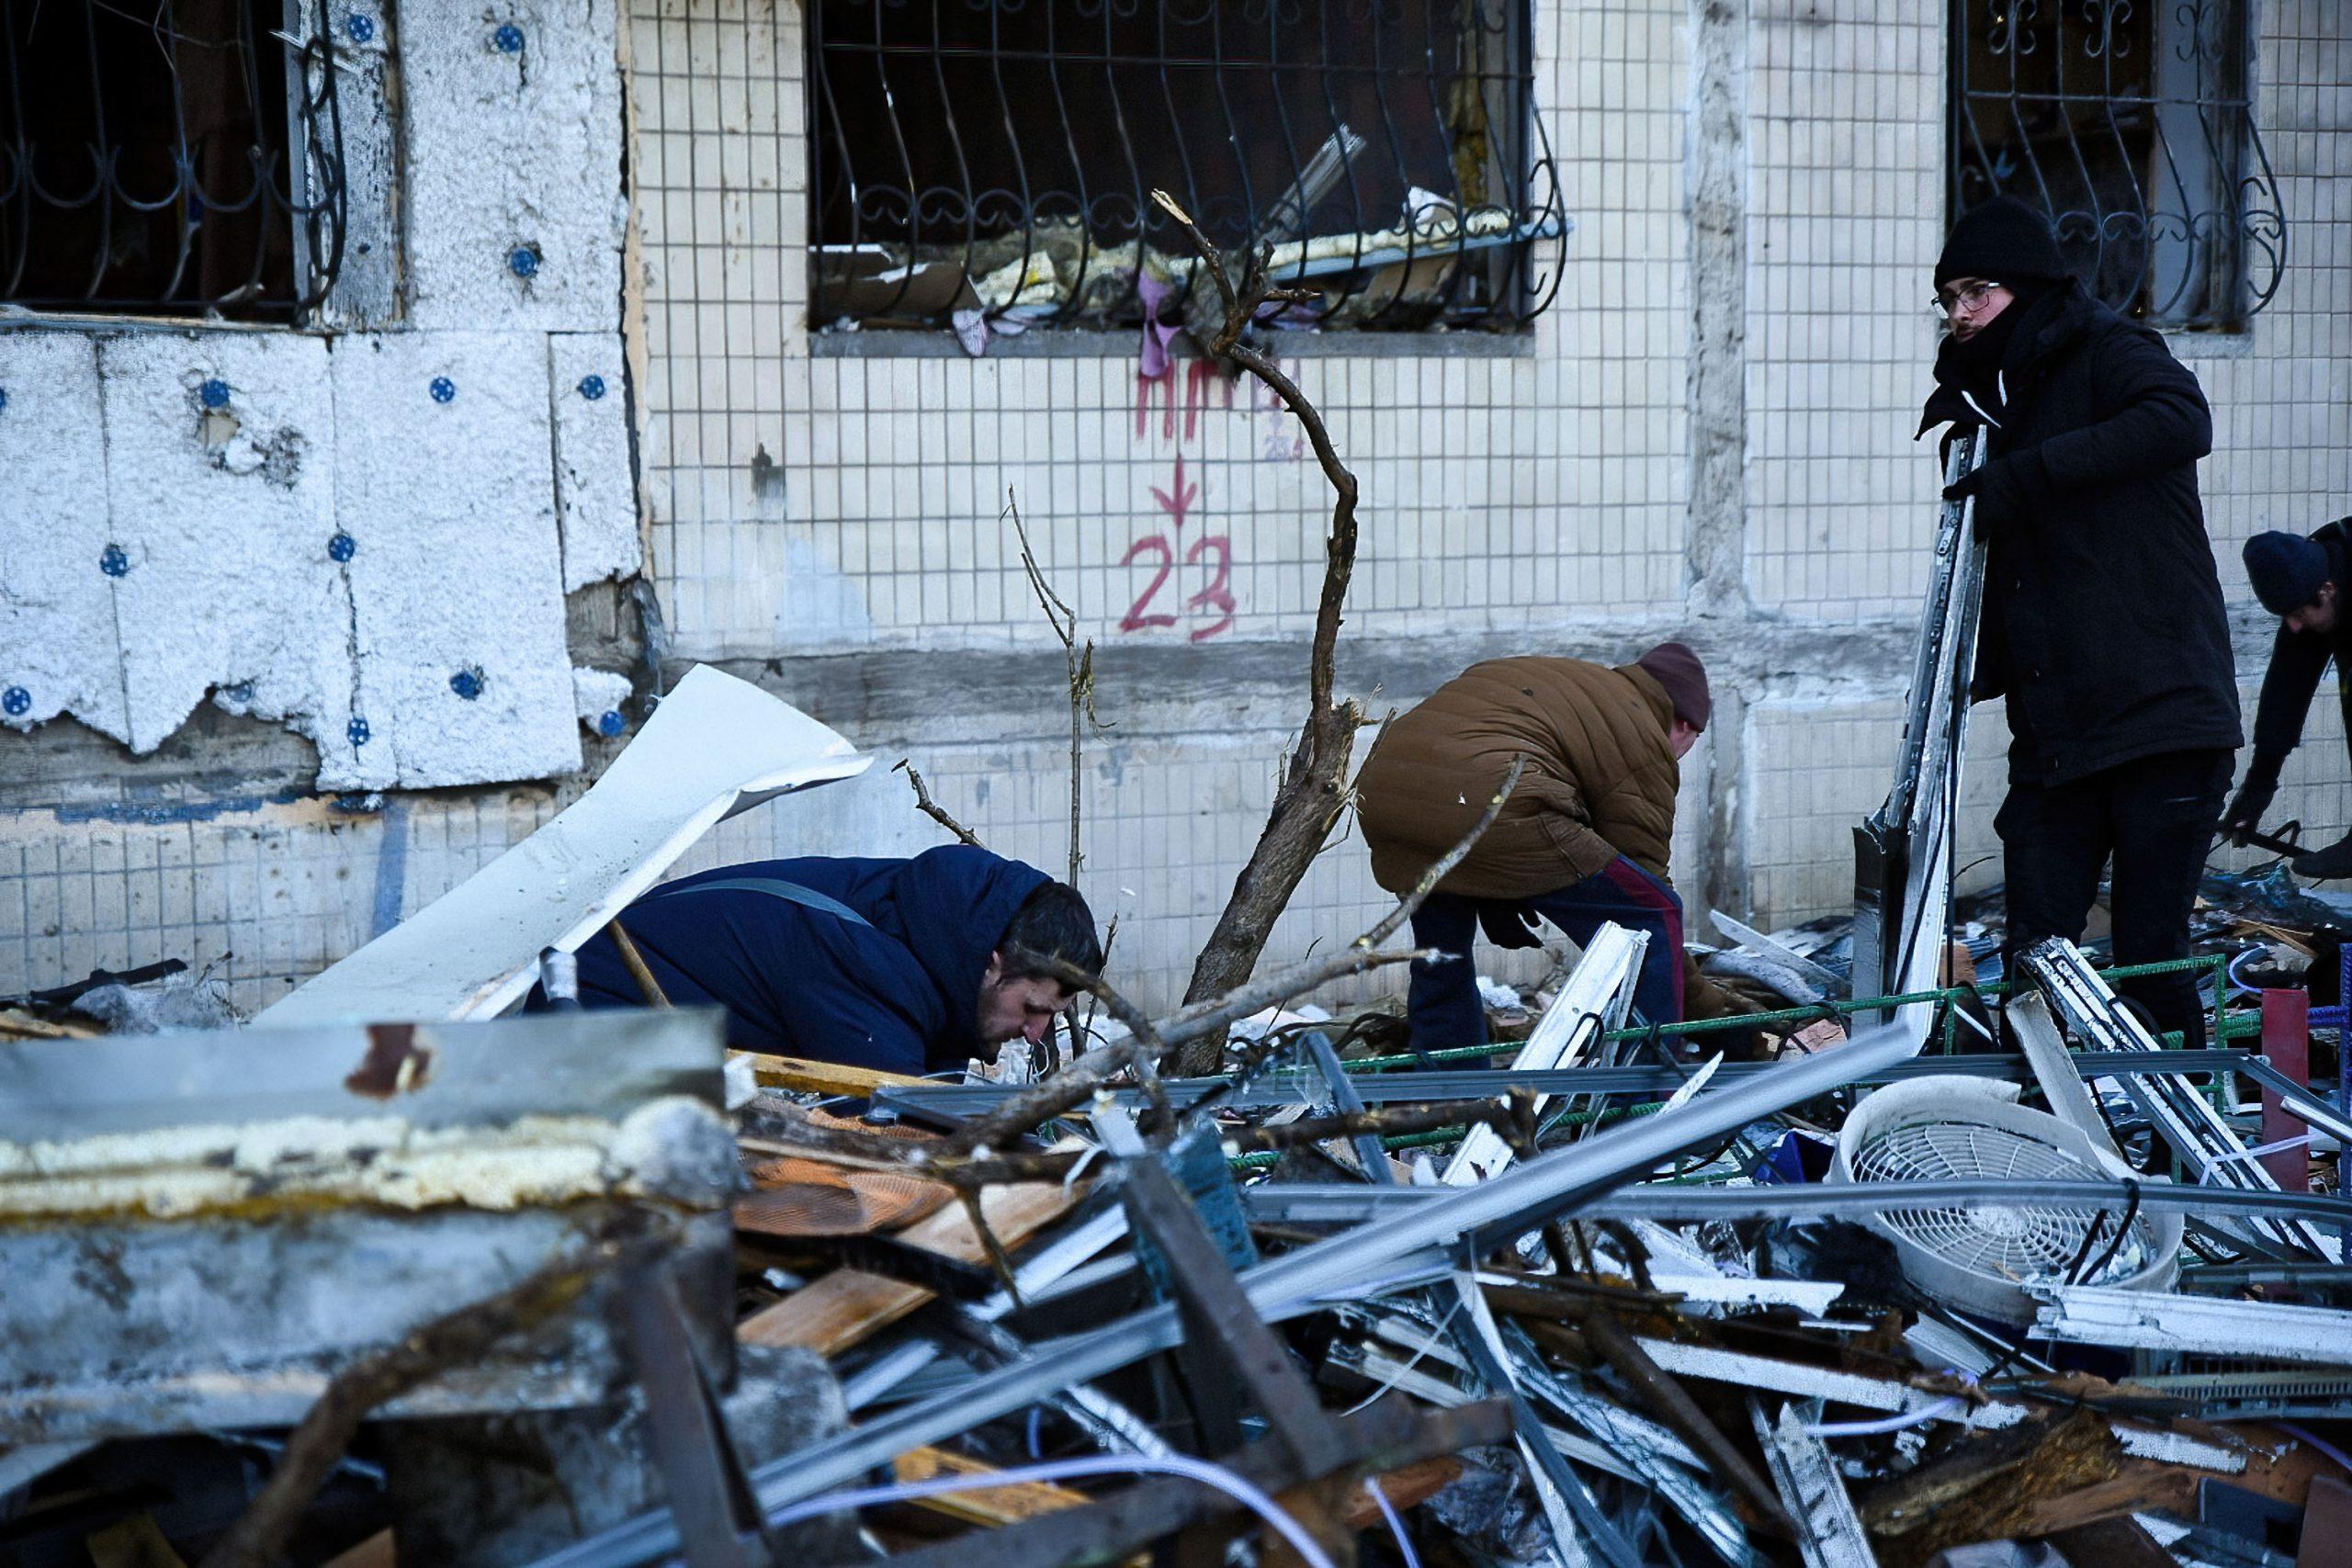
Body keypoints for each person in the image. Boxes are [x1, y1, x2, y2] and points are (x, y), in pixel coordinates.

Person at [1918, 195, 2239, 1045]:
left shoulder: (2109, 349)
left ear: (2026, 288)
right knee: (2036, 967)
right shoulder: (1989, 407)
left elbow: (2182, 420)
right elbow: (2030, 573)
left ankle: (2185, 1160)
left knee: (2148, 962)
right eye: (1948, 297)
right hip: (2060, 738)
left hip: (2161, 720)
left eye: (1976, 292)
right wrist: (1975, 667)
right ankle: (2051, 1162)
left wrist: (2026, 476)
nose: (1959, 313)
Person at [1351, 642, 1746, 1053]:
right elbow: (1642, 882)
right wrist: (1709, 1010)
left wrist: (1496, 883)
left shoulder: (1577, 684)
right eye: (1692, 742)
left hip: (1385, 794)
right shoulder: (1642, 732)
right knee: (1652, 911)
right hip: (1489, 797)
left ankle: (1444, 1090)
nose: (1680, 755)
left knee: (1441, 952)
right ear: (1684, 724)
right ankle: (1649, 1087)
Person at [538, 844, 1102, 1074]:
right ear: (992, 962)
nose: (1036, 1033)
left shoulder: (921, 917)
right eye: (1033, 1008)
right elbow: (887, 1140)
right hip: (576, 1043)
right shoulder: (872, 971)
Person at [2224, 524, 2352, 878]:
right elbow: (2285, 690)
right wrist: (2256, 790)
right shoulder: (2312, 580)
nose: (2293, 626)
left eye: (2296, 614)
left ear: (2328, 590)